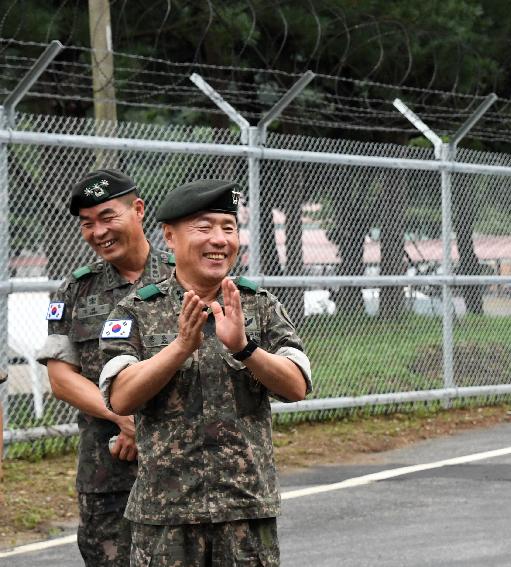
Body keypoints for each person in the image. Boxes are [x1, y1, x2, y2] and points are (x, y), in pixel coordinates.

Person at [98, 179, 312, 566]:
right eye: (204, 228)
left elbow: (297, 385)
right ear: (169, 236)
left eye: (228, 228)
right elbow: (121, 396)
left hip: (245, 510)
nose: (219, 240)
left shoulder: (260, 306)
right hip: (166, 515)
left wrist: (245, 349)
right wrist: (179, 348)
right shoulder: (136, 311)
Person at [35, 169, 174, 566]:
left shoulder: (185, 275)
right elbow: (62, 378)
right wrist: (122, 415)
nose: (99, 231)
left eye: (108, 217)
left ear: (139, 210)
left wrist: (141, 421)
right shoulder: (75, 290)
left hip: (182, 467)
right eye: (87, 223)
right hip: (107, 471)